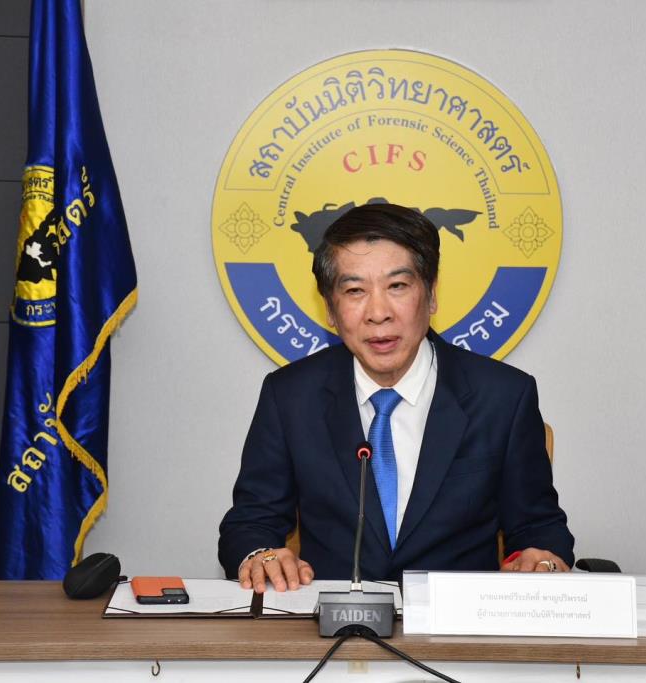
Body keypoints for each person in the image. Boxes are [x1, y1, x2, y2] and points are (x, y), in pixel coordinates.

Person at [218, 202, 573, 593]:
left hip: (453, 623)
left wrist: (540, 558)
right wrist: (261, 554)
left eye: (397, 286)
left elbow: (539, 527)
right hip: (334, 622)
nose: (378, 312)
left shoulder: (503, 396)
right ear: (330, 310)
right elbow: (250, 523)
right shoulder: (291, 397)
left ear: (431, 295)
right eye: (355, 290)